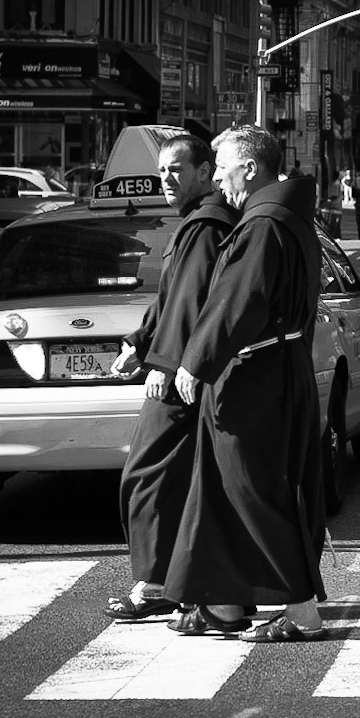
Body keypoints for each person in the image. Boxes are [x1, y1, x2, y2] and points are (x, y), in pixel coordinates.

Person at [165, 125, 328, 640]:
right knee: (223, 490)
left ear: (250, 169)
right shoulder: (282, 216)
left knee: (253, 491)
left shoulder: (263, 223)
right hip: (268, 371)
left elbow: (238, 302)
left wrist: (195, 362)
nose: (216, 178)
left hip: (257, 377)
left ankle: (302, 611)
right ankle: (228, 604)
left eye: (222, 168)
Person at [103, 135, 240, 622]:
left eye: (177, 170)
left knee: (147, 475)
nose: (166, 179)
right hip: (186, 366)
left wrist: (163, 364)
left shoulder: (205, 225)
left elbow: (189, 305)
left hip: (184, 373)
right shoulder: (196, 224)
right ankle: (189, 584)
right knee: (178, 478)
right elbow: (171, 299)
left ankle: (158, 582)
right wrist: (138, 343)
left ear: (205, 172)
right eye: (162, 171)